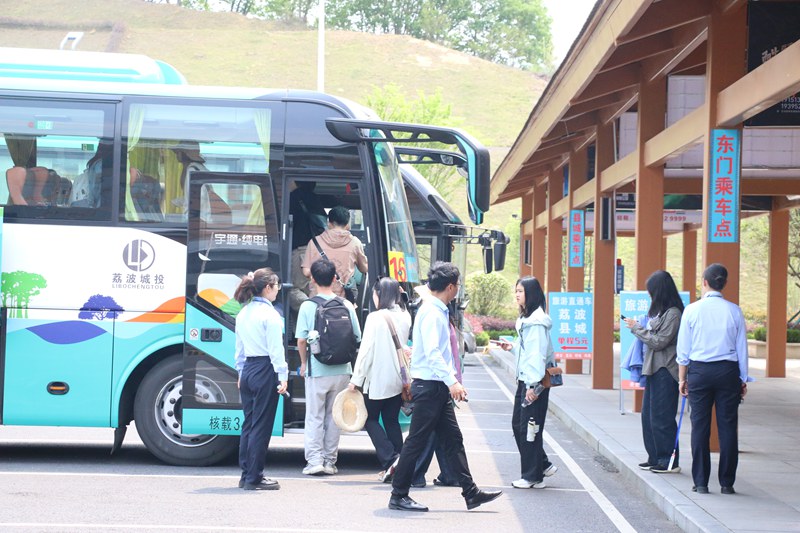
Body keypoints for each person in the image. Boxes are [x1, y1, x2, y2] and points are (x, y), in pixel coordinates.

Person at [388, 261, 502, 512]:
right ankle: (398, 494)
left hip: (436, 387)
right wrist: (452, 382)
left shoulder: (436, 311)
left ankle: (470, 493)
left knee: (453, 439)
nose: (458, 289)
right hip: (431, 387)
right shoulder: (431, 312)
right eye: (458, 285)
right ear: (450, 287)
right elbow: (432, 354)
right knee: (416, 442)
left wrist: (450, 382)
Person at [677, 263, 750, 495]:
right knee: (728, 426)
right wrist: (743, 378)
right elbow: (742, 348)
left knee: (700, 427)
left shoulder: (692, 310)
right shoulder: (734, 310)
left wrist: (682, 379)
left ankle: (701, 482)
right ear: (724, 283)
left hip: (699, 372)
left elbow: (683, 350)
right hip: (728, 372)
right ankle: (727, 483)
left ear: (704, 282)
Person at [296, 258, 362, 476]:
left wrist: (304, 364)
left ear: (312, 279)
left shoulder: (308, 305)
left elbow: (302, 341)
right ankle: (329, 462)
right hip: (343, 370)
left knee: (314, 416)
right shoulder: (345, 305)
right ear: (335, 278)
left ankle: (314, 461)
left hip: (318, 370)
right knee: (335, 417)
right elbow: (356, 336)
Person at [348, 277, 412, 482]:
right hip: (397, 378)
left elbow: (366, 352)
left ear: (380, 295)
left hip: (378, 379)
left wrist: (356, 379)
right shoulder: (405, 315)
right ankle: (401, 465)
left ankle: (390, 459)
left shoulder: (376, 318)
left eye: (375, 294)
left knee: (369, 418)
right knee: (391, 420)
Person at [498, 276, 558, 489]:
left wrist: (533, 387)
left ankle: (532, 476)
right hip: (526, 380)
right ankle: (541, 465)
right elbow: (527, 352)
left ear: (531, 294)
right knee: (520, 425)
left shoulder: (536, 323)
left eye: (521, 291)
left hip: (533, 382)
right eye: (516, 290)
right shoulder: (529, 319)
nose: (516, 294)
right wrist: (512, 348)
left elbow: (537, 356)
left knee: (529, 428)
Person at [624, 270, 684, 474]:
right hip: (653, 369)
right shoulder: (662, 312)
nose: (649, 296)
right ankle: (655, 457)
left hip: (666, 370)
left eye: (651, 292)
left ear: (660, 292)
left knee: (662, 417)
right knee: (648, 416)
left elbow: (659, 342)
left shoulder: (674, 313)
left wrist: (636, 328)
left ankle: (668, 460)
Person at [233, 267, 288, 491]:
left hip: (248, 370)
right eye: (276, 286)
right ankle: (255, 477)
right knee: (261, 426)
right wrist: (282, 376)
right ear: (267, 288)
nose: (277, 291)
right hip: (266, 369)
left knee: (249, 423)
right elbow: (276, 351)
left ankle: (246, 473)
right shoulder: (271, 315)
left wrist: (240, 372)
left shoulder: (243, 313)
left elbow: (239, 350)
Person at [302, 205, 368, 302]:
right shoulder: (355, 243)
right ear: (348, 224)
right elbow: (364, 268)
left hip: (318, 299)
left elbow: (306, 272)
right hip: (343, 301)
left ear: (329, 223)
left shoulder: (314, 242)